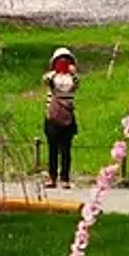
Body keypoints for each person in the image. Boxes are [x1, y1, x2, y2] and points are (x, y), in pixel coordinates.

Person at [42, 46, 80, 189]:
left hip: (67, 117)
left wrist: (71, 73)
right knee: (52, 149)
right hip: (52, 117)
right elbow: (46, 80)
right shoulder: (51, 77)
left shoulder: (73, 79)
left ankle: (65, 178)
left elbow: (76, 84)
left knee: (66, 150)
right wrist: (55, 72)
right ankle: (52, 177)